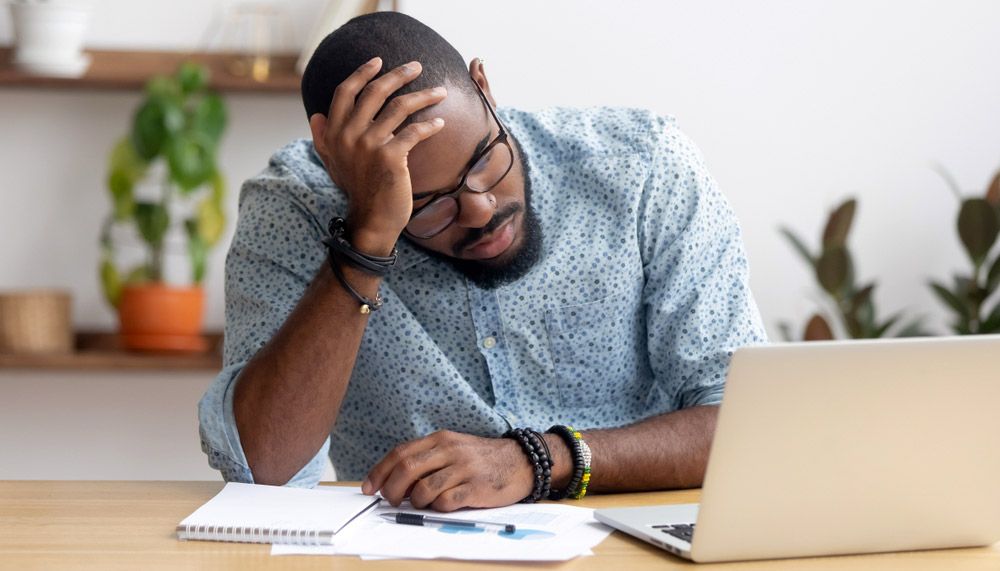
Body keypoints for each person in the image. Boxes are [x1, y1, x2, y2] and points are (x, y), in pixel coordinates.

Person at [198, 11, 766, 512]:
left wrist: (539, 460)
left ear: (485, 87)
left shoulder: (642, 167)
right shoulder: (294, 205)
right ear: (334, 164)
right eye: (425, 204)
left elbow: (747, 424)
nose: (480, 209)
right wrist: (368, 235)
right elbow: (264, 467)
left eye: (484, 159)